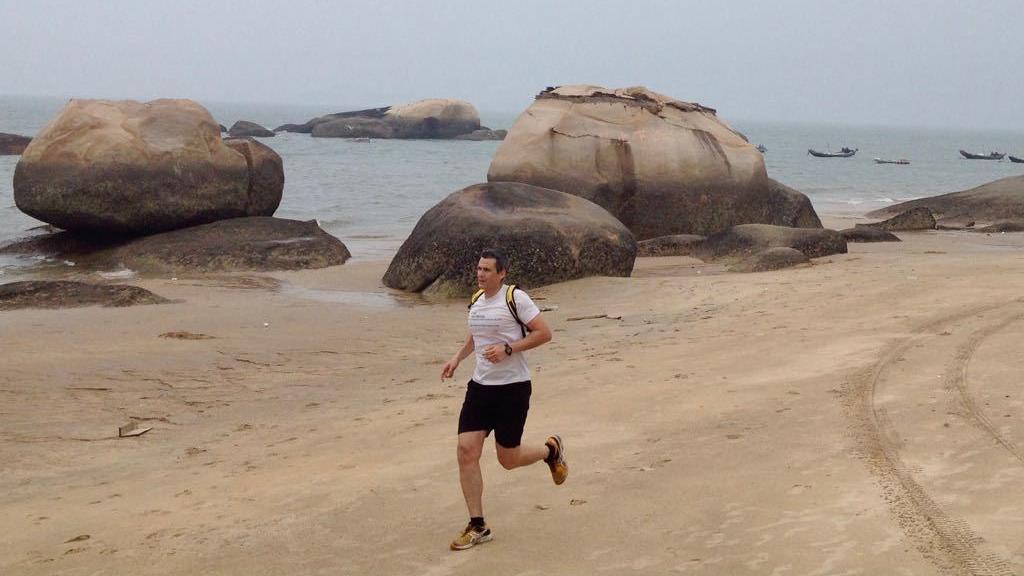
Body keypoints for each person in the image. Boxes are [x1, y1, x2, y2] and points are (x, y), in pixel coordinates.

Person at [440, 248, 568, 551]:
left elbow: (544, 333)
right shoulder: (476, 302)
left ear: (502, 273)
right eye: (478, 269)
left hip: (513, 388)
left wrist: (509, 349)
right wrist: (457, 358)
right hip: (480, 387)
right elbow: (476, 335)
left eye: (487, 270)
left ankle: (550, 450)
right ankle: (478, 525)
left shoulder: (515, 299)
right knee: (465, 450)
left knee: (507, 459)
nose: (480, 274)